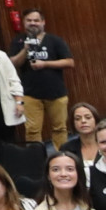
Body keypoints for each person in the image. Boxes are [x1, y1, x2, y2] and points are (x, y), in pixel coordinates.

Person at [12, 8, 73, 145]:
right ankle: (37, 160)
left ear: (43, 22)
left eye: (36, 20)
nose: (33, 23)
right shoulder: (19, 40)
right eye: (29, 20)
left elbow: (69, 62)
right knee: (32, 130)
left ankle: (63, 157)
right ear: (24, 22)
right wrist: (25, 49)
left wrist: (45, 64)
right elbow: (14, 63)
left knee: (60, 128)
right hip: (30, 94)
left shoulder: (55, 40)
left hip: (56, 93)